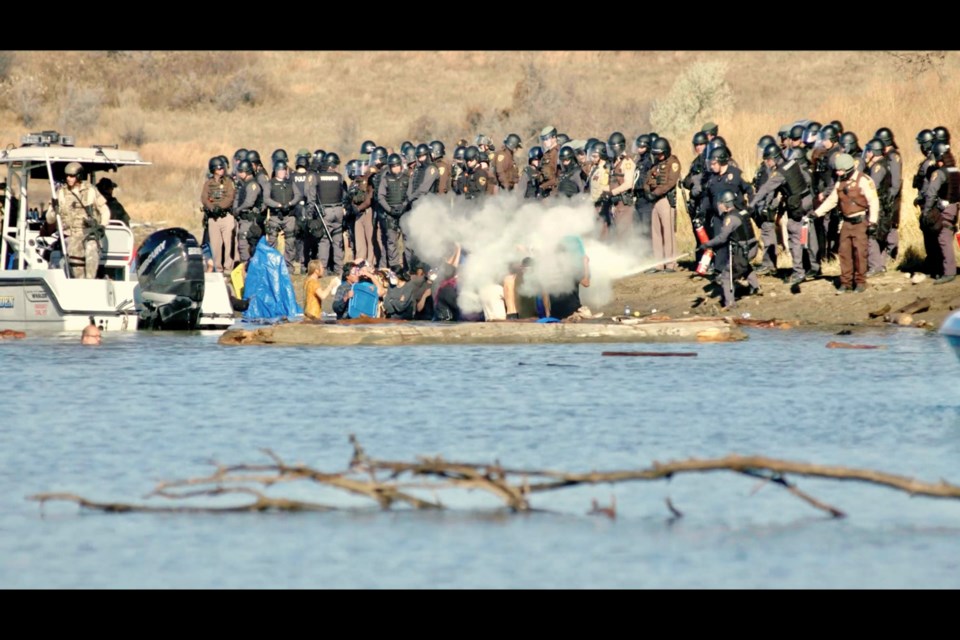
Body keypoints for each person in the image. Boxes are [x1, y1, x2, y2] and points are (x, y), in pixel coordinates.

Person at [813, 153, 880, 293]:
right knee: (844, 253)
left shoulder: (864, 180)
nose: (838, 172)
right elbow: (832, 201)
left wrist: (873, 222)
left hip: (860, 222)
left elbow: (873, 201)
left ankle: (860, 282)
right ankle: (846, 282)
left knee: (860, 253)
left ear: (849, 168)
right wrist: (816, 213)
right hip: (846, 223)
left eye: (841, 170)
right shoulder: (839, 182)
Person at [698, 190, 760, 310]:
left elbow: (722, 238)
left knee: (726, 276)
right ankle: (756, 287)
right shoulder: (742, 212)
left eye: (721, 203)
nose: (719, 206)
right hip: (752, 248)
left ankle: (730, 303)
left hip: (743, 251)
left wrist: (706, 245)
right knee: (744, 265)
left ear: (726, 204)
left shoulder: (730, 219)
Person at [48, 162, 110, 279]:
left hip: (88, 233)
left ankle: (91, 280)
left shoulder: (90, 191)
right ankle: (80, 283)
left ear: (79, 176)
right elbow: (49, 220)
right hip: (70, 235)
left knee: (91, 248)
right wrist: (54, 210)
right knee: (76, 263)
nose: (68, 178)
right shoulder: (60, 193)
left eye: (72, 176)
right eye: (67, 176)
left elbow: (105, 211)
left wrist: (102, 226)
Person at [919, 141, 959, 284]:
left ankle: (948, 272)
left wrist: (926, 211)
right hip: (954, 207)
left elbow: (931, 193)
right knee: (947, 237)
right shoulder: (954, 170)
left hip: (943, 210)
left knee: (943, 239)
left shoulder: (939, 173)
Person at [641, 137, 681, 272]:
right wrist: (647, 192)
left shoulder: (673, 163)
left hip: (665, 200)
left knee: (668, 232)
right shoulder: (655, 165)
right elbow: (647, 180)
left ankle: (670, 263)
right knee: (656, 232)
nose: (658, 156)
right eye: (656, 154)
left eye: (660, 153)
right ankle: (659, 263)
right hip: (654, 201)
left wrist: (655, 193)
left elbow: (670, 182)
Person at [200, 156, 237, 273]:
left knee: (228, 243)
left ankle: (228, 268)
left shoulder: (228, 182)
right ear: (213, 169)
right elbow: (204, 198)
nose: (221, 170)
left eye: (222, 168)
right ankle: (218, 268)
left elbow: (230, 197)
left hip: (226, 216)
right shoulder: (208, 184)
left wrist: (220, 207)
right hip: (213, 218)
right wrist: (212, 208)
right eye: (218, 168)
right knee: (215, 245)